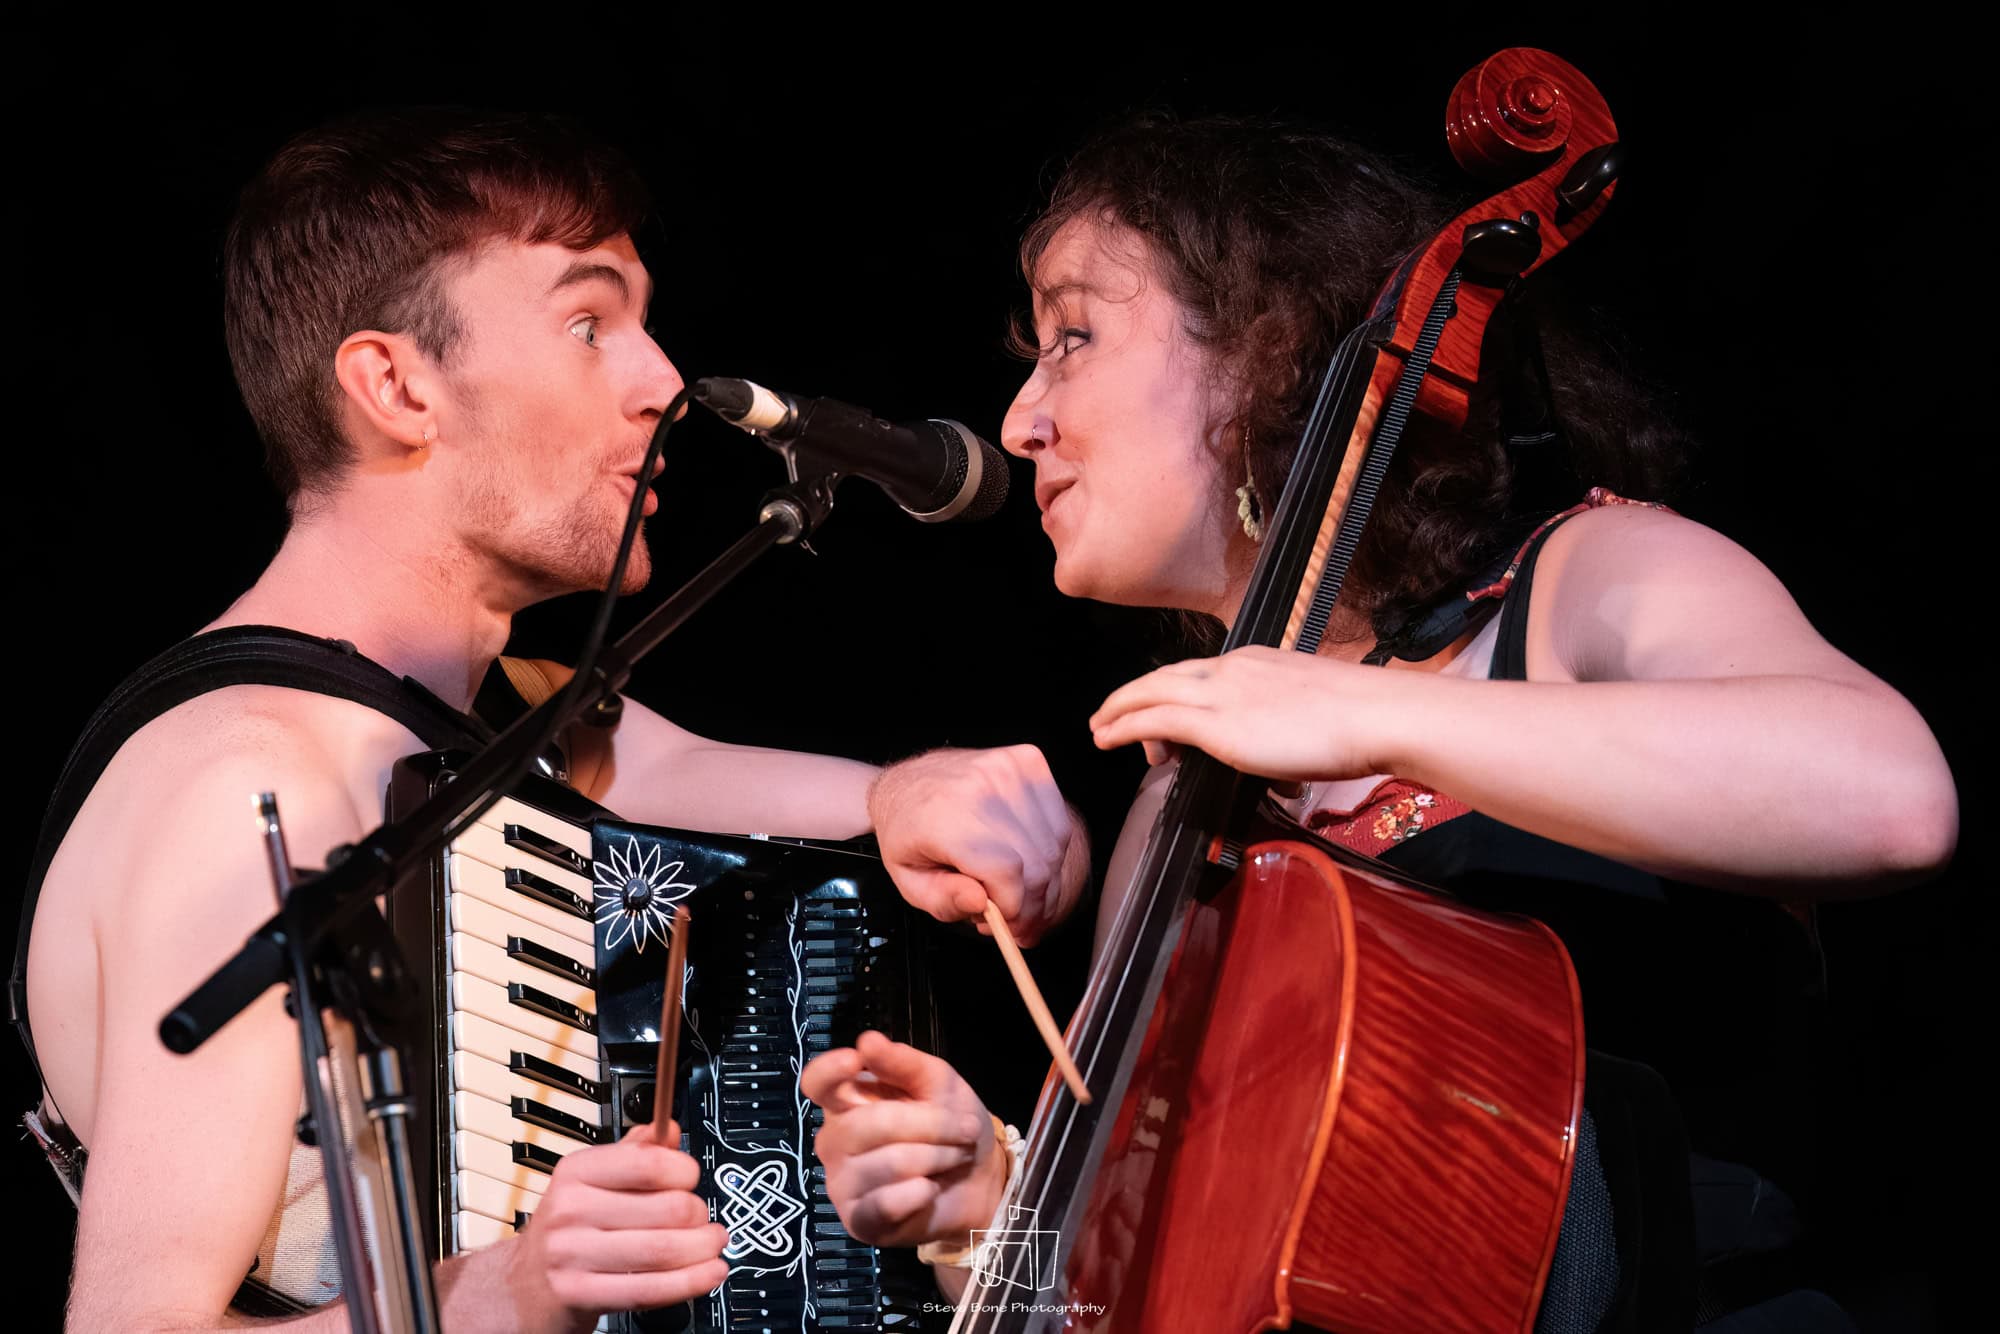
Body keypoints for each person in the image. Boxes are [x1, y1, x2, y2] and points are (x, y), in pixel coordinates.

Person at [800, 113, 1959, 1329]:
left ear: (1267, 352)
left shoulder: (1585, 579)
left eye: (1072, 339)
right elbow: (1141, 1286)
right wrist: (989, 1208)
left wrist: (1367, 708)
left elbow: (1889, 798)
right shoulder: (1180, 802)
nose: (1018, 420)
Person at [13, 107, 1088, 1332]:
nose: (663, 381)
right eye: (588, 323)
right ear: (395, 386)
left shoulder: (492, 720)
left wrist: (915, 797)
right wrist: (502, 1292)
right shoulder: (251, 784)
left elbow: (672, 765)